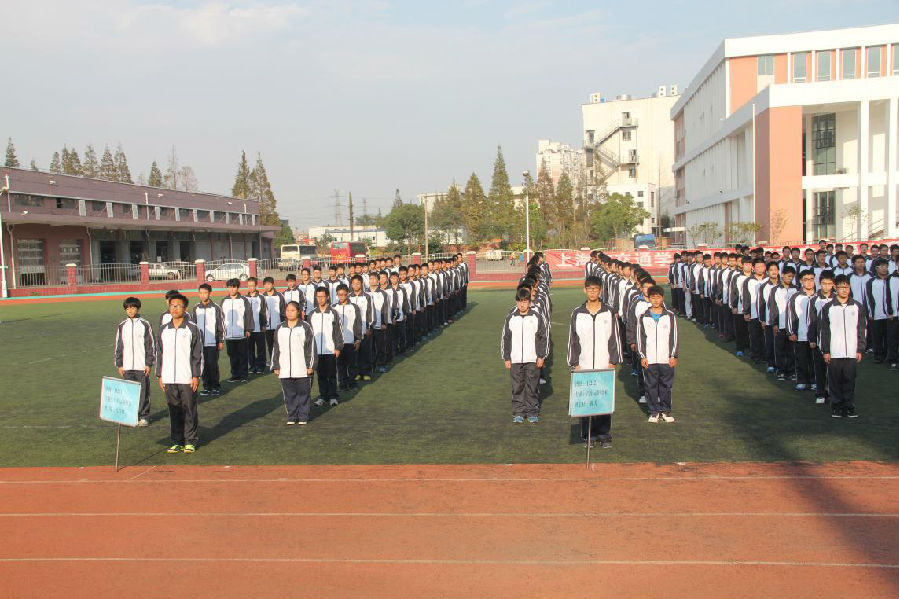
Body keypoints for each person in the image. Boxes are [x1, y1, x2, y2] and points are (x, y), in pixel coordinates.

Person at [567, 276, 622, 449]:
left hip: (604, 363)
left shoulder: (609, 312)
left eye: (595, 289)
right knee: (586, 401)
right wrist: (574, 361)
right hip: (584, 364)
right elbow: (573, 340)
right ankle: (587, 435)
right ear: (584, 290)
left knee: (604, 400)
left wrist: (613, 359)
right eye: (589, 289)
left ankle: (604, 434)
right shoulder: (578, 313)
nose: (592, 292)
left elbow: (615, 338)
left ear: (601, 291)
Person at [156, 293, 203, 454]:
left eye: (178, 306)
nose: (175, 309)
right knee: (173, 409)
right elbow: (159, 353)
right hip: (169, 377)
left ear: (185, 308)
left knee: (189, 409)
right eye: (172, 306)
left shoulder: (192, 329)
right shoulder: (163, 329)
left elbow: (198, 354)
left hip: (187, 377)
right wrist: (160, 375)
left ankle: (190, 440)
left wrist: (196, 375)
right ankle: (176, 441)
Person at [818, 275, 866, 418]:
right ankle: (836, 406)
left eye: (847, 287)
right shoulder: (828, 307)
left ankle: (849, 406)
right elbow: (824, 331)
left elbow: (862, 329)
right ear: (836, 288)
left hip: (851, 352)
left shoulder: (857, 306)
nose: (844, 290)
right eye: (841, 287)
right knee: (835, 381)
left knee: (849, 380)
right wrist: (825, 351)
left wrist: (860, 349)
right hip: (835, 352)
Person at [501, 286, 549, 424]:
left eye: (525, 301)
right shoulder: (511, 317)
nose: (522, 304)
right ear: (517, 302)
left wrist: (541, 356)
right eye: (520, 301)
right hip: (515, 359)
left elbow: (543, 337)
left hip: (532, 358)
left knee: (532, 386)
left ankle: (532, 411)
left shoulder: (536, 317)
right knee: (517, 386)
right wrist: (506, 357)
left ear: (529, 302)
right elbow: (506, 338)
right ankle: (518, 412)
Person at [636, 285, 678, 423]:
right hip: (650, 359)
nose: (655, 300)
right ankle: (653, 412)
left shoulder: (670, 316)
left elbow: (674, 337)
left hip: (666, 358)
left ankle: (665, 411)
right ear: (649, 299)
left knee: (666, 385)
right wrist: (643, 356)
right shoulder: (643, 317)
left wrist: (673, 355)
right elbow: (640, 338)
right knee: (651, 385)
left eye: (658, 297)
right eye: (653, 297)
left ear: (662, 298)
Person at [270, 301, 316, 425]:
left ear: (299, 312)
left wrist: (310, 365)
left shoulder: (305, 326)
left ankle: (303, 416)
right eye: (287, 310)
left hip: (301, 367)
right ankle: (292, 416)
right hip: (285, 367)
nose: (289, 313)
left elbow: (310, 347)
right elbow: (276, 347)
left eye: (292, 310)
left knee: (303, 393)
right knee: (289, 394)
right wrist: (275, 365)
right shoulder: (280, 327)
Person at [114, 296, 154, 427]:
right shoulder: (122, 326)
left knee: (143, 392)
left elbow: (150, 345)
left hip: (141, 366)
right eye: (128, 308)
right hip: (127, 366)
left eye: (133, 307)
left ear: (138, 308)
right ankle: (131, 416)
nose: (130, 310)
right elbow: (119, 346)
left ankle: (143, 416)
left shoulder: (145, 324)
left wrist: (148, 363)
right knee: (129, 392)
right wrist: (119, 364)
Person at [310, 287, 343, 407]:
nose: (320, 299)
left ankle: (333, 396)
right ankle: (323, 396)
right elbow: (309, 334)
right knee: (321, 375)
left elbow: (338, 331)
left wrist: (338, 347)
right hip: (317, 351)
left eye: (322, 296)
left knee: (332, 374)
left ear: (327, 297)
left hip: (330, 349)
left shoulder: (333, 312)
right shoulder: (312, 314)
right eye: (318, 297)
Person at [786, 270, 818, 393]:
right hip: (801, 334)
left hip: (815, 336)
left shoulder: (818, 296)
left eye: (811, 279)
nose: (809, 282)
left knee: (815, 360)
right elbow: (790, 316)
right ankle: (802, 380)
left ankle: (815, 380)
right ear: (801, 281)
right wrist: (791, 332)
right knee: (801, 359)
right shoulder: (796, 297)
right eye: (806, 279)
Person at [191, 284, 224, 396]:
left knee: (213, 365)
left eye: (205, 293)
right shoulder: (196, 308)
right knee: (203, 366)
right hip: (200, 343)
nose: (203, 295)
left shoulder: (216, 308)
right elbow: (193, 326)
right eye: (201, 293)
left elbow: (220, 324)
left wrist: (220, 340)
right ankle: (206, 387)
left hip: (212, 342)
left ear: (210, 293)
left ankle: (215, 386)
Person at [768, 265, 797, 381]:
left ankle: (791, 371)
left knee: (791, 350)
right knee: (779, 349)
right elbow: (773, 308)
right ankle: (781, 371)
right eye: (788, 276)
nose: (789, 278)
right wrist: (774, 324)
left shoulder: (796, 289)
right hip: (780, 324)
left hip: (792, 326)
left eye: (792, 277)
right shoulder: (775, 290)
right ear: (782, 275)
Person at [221, 278, 253, 383]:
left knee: (242, 355)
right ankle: (235, 375)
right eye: (230, 287)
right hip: (229, 334)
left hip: (241, 333)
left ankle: (244, 375)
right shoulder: (224, 300)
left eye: (234, 287)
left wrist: (248, 329)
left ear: (237, 288)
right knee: (232, 355)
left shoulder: (243, 300)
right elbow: (221, 317)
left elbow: (248, 315)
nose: (232, 289)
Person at [333, 284, 362, 390]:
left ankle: (352, 383)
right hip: (338, 343)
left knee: (352, 364)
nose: (341, 297)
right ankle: (342, 383)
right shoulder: (333, 308)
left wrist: (358, 339)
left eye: (343, 294)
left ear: (347, 294)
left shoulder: (354, 307)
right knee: (340, 365)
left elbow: (358, 324)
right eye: (339, 295)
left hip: (350, 340)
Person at [865, 258, 893, 364]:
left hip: (890, 314)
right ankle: (878, 356)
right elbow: (868, 298)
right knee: (877, 336)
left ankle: (888, 356)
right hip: (876, 314)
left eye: (886, 266)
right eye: (882, 266)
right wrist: (871, 313)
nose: (884, 268)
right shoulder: (871, 282)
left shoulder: (891, 279)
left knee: (889, 337)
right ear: (876, 268)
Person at [349, 274, 374, 381]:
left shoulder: (367, 296)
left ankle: (366, 372)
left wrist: (369, 326)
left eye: (357, 283)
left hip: (364, 328)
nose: (355, 285)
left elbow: (370, 312)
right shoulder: (349, 297)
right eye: (353, 284)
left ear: (362, 284)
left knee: (365, 351)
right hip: (352, 330)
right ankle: (357, 373)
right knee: (354, 353)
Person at [244, 277, 268, 374]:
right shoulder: (245, 298)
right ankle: (252, 366)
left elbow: (265, 312)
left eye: (252, 286)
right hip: (249, 329)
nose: (250, 288)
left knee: (261, 349)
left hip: (259, 327)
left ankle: (261, 366)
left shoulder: (261, 297)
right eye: (249, 286)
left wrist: (264, 324)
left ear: (256, 286)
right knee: (250, 349)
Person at [261, 276, 286, 364]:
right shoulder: (262, 296)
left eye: (268, 284)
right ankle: (272, 361)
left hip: (278, 325)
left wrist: (283, 323)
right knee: (269, 344)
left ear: (273, 284)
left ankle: (280, 360)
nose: (266, 286)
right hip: (267, 326)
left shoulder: (279, 296)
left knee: (279, 344)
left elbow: (283, 310)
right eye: (265, 284)